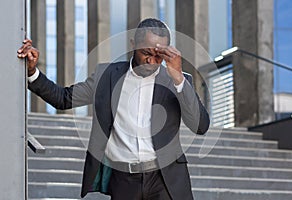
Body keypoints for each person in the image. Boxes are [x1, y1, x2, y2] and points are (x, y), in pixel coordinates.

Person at [18, 18, 210, 200]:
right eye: (146, 53)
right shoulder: (107, 76)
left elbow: (200, 126)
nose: (152, 61)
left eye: (158, 56)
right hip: (124, 179)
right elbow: (63, 99)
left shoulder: (176, 80)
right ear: (133, 44)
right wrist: (32, 72)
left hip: (165, 179)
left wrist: (178, 78)